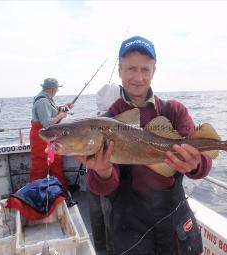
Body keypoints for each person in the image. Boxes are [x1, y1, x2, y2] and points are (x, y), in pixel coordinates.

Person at [78, 36, 212, 254]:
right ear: (119, 70)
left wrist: (196, 165)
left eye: (145, 69)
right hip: (130, 230)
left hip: (174, 224)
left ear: (153, 71)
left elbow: (204, 164)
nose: (138, 77)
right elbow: (98, 187)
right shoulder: (106, 120)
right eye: (131, 68)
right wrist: (103, 172)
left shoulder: (174, 111)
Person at [89, 83, 120, 254]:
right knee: (109, 217)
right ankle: (109, 251)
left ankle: (99, 249)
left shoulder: (93, 118)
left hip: (91, 176)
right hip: (106, 174)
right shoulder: (115, 120)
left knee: (96, 216)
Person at [29, 78, 73, 191]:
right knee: (40, 166)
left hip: (49, 137)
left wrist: (65, 107)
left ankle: (60, 190)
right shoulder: (42, 101)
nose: (57, 91)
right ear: (52, 89)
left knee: (54, 161)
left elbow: (53, 110)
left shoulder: (47, 99)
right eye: (57, 89)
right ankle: (35, 193)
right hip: (41, 137)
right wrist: (61, 116)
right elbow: (47, 123)